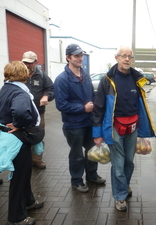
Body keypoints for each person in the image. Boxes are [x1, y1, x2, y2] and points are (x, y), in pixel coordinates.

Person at [92, 45, 155, 211]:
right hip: (114, 128)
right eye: (123, 56)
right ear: (116, 58)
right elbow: (98, 108)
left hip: (133, 127)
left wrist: (144, 129)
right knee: (118, 164)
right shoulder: (107, 80)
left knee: (129, 162)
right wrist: (97, 133)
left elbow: (141, 105)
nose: (127, 59)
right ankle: (120, 196)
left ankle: (124, 185)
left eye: (129, 56)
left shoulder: (136, 78)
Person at [53, 43, 106, 193]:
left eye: (81, 55)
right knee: (76, 155)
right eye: (76, 56)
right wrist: (83, 108)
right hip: (73, 125)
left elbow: (92, 95)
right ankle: (76, 180)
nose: (80, 58)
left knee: (92, 151)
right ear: (68, 58)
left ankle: (92, 176)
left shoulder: (86, 75)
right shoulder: (62, 80)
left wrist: (98, 103)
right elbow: (61, 105)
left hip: (89, 122)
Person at [0, 61, 44, 225]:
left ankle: (28, 201)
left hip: (8, 137)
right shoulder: (20, 93)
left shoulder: (6, 88)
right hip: (18, 139)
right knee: (19, 177)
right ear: (23, 74)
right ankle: (16, 217)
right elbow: (20, 111)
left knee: (24, 174)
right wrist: (19, 124)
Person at [22, 51, 54, 169]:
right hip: (22, 113)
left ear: (35, 62)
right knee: (22, 136)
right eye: (25, 62)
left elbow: (51, 89)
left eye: (30, 63)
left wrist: (47, 96)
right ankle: (24, 160)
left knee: (38, 135)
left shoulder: (42, 75)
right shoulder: (19, 74)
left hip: (39, 113)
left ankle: (37, 160)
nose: (27, 65)